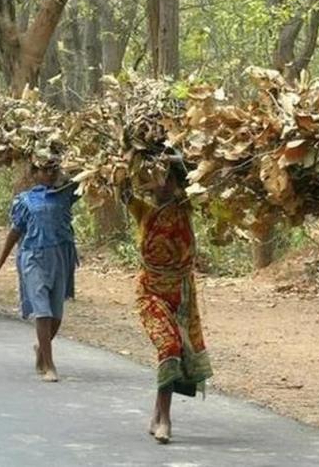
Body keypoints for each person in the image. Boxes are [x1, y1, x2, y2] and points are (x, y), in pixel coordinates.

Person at [122, 162, 213, 445]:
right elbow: (123, 193)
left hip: (182, 293)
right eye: (152, 179)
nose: (157, 183)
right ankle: (165, 418)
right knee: (168, 345)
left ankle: (157, 413)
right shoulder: (144, 211)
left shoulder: (185, 207)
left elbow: (198, 182)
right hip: (151, 290)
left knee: (176, 352)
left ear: (174, 183)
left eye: (163, 178)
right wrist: (124, 162)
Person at [0, 158, 79, 383]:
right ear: (35, 173)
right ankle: (49, 365)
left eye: (53, 170)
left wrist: (68, 162)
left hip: (60, 257)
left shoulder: (66, 194)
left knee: (56, 315)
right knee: (43, 311)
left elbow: (84, 177)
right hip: (33, 256)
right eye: (44, 170)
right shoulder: (25, 200)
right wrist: (1, 261)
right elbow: (15, 231)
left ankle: (41, 348)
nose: (49, 174)